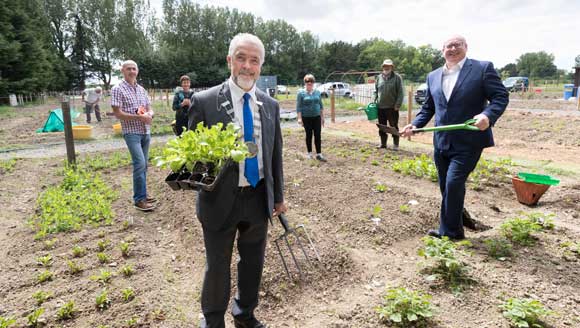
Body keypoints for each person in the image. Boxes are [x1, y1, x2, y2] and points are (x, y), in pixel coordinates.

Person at [188, 33, 286, 328]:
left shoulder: (269, 105)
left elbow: (274, 154)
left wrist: (278, 196)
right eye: (241, 58)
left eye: (254, 60)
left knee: (253, 263)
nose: (247, 66)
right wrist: (200, 169)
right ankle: (213, 321)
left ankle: (244, 314)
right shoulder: (205, 102)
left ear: (260, 66)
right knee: (217, 266)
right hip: (219, 199)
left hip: (257, 197)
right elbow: (192, 155)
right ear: (230, 61)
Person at [400, 35, 508, 240]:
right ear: (442, 51)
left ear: (466, 47)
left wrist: (487, 115)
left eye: (457, 45)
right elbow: (429, 107)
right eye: (448, 46)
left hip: (469, 141)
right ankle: (459, 222)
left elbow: (500, 97)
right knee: (446, 187)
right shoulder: (433, 76)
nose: (452, 48)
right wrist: (415, 124)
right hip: (441, 142)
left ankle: (450, 234)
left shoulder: (482, 69)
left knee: (453, 184)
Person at [111, 60, 158, 212]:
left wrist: (150, 114)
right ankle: (139, 200)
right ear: (122, 71)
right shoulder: (118, 89)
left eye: (134, 68)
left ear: (137, 71)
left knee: (144, 165)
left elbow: (149, 108)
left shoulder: (141, 89)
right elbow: (118, 114)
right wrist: (139, 118)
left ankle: (143, 194)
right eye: (128, 69)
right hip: (131, 132)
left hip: (145, 131)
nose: (132, 71)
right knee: (139, 163)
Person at [374, 59, 404, 150]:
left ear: (392, 67)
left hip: (392, 107)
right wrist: (374, 101)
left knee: (393, 126)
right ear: (383, 67)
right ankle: (383, 144)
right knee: (382, 126)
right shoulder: (379, 78)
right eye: (385, 66)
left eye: (388, 66)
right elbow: (376, 91)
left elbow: (400, 93)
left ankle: (396, 145)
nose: (386, 67)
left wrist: (397, 105)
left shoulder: (397, 78)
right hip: (380, 107)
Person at [296, 74, 326, 161]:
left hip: (317, 117)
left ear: (313, 83)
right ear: (305, 83)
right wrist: (299, 118)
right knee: (309, 135)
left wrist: (322, 117)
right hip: (306, 117)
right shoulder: (301, 93)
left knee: (318, 135)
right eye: (308, 83)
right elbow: (299, 106)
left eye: (311, 83)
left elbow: (321, 105)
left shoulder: (317, 92)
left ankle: (319, 154)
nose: (309, 85)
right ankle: (309, 153)